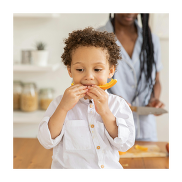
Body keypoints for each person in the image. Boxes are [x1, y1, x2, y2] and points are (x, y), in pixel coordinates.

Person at [37, 27, 135, 169]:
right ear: (70, 71)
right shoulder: (60, 103)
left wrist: (106, 112)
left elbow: (125, 144)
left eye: (97, 69)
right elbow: (46, 141)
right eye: (80, 69)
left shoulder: (118, 104)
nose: (89, 76)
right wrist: (63, 108)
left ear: (111, 71)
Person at [97, 13, 165, 141]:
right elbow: (88, 81)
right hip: (110, 128)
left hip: (145, 128)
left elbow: (156, 80)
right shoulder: (97, 38)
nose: (129, 12)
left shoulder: (151, 39)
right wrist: (112, 100)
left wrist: (154, 99)